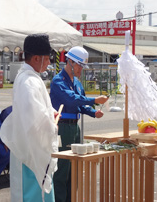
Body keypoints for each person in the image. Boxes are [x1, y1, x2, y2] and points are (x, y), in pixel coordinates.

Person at [0, 33, 59, 202]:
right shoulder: (28, 82)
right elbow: (34, 121)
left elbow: (36, 111)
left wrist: (50, 114)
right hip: (30, 150)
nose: (49, 63)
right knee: (34, 194)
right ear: (36, 58)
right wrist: (52, 123)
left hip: (31, 147)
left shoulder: (29, 78)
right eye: (47, 59)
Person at [50, 46, 109, 202]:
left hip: (74, 127)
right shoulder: (58, 81)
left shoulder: (76, 82)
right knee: (62, 168)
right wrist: (95, 100)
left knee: (74, 169)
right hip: (62, 127)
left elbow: (81, 105)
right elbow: (71, 99)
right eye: (80, 65)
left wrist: (93, 112)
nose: (81, 69)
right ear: (70, 62)